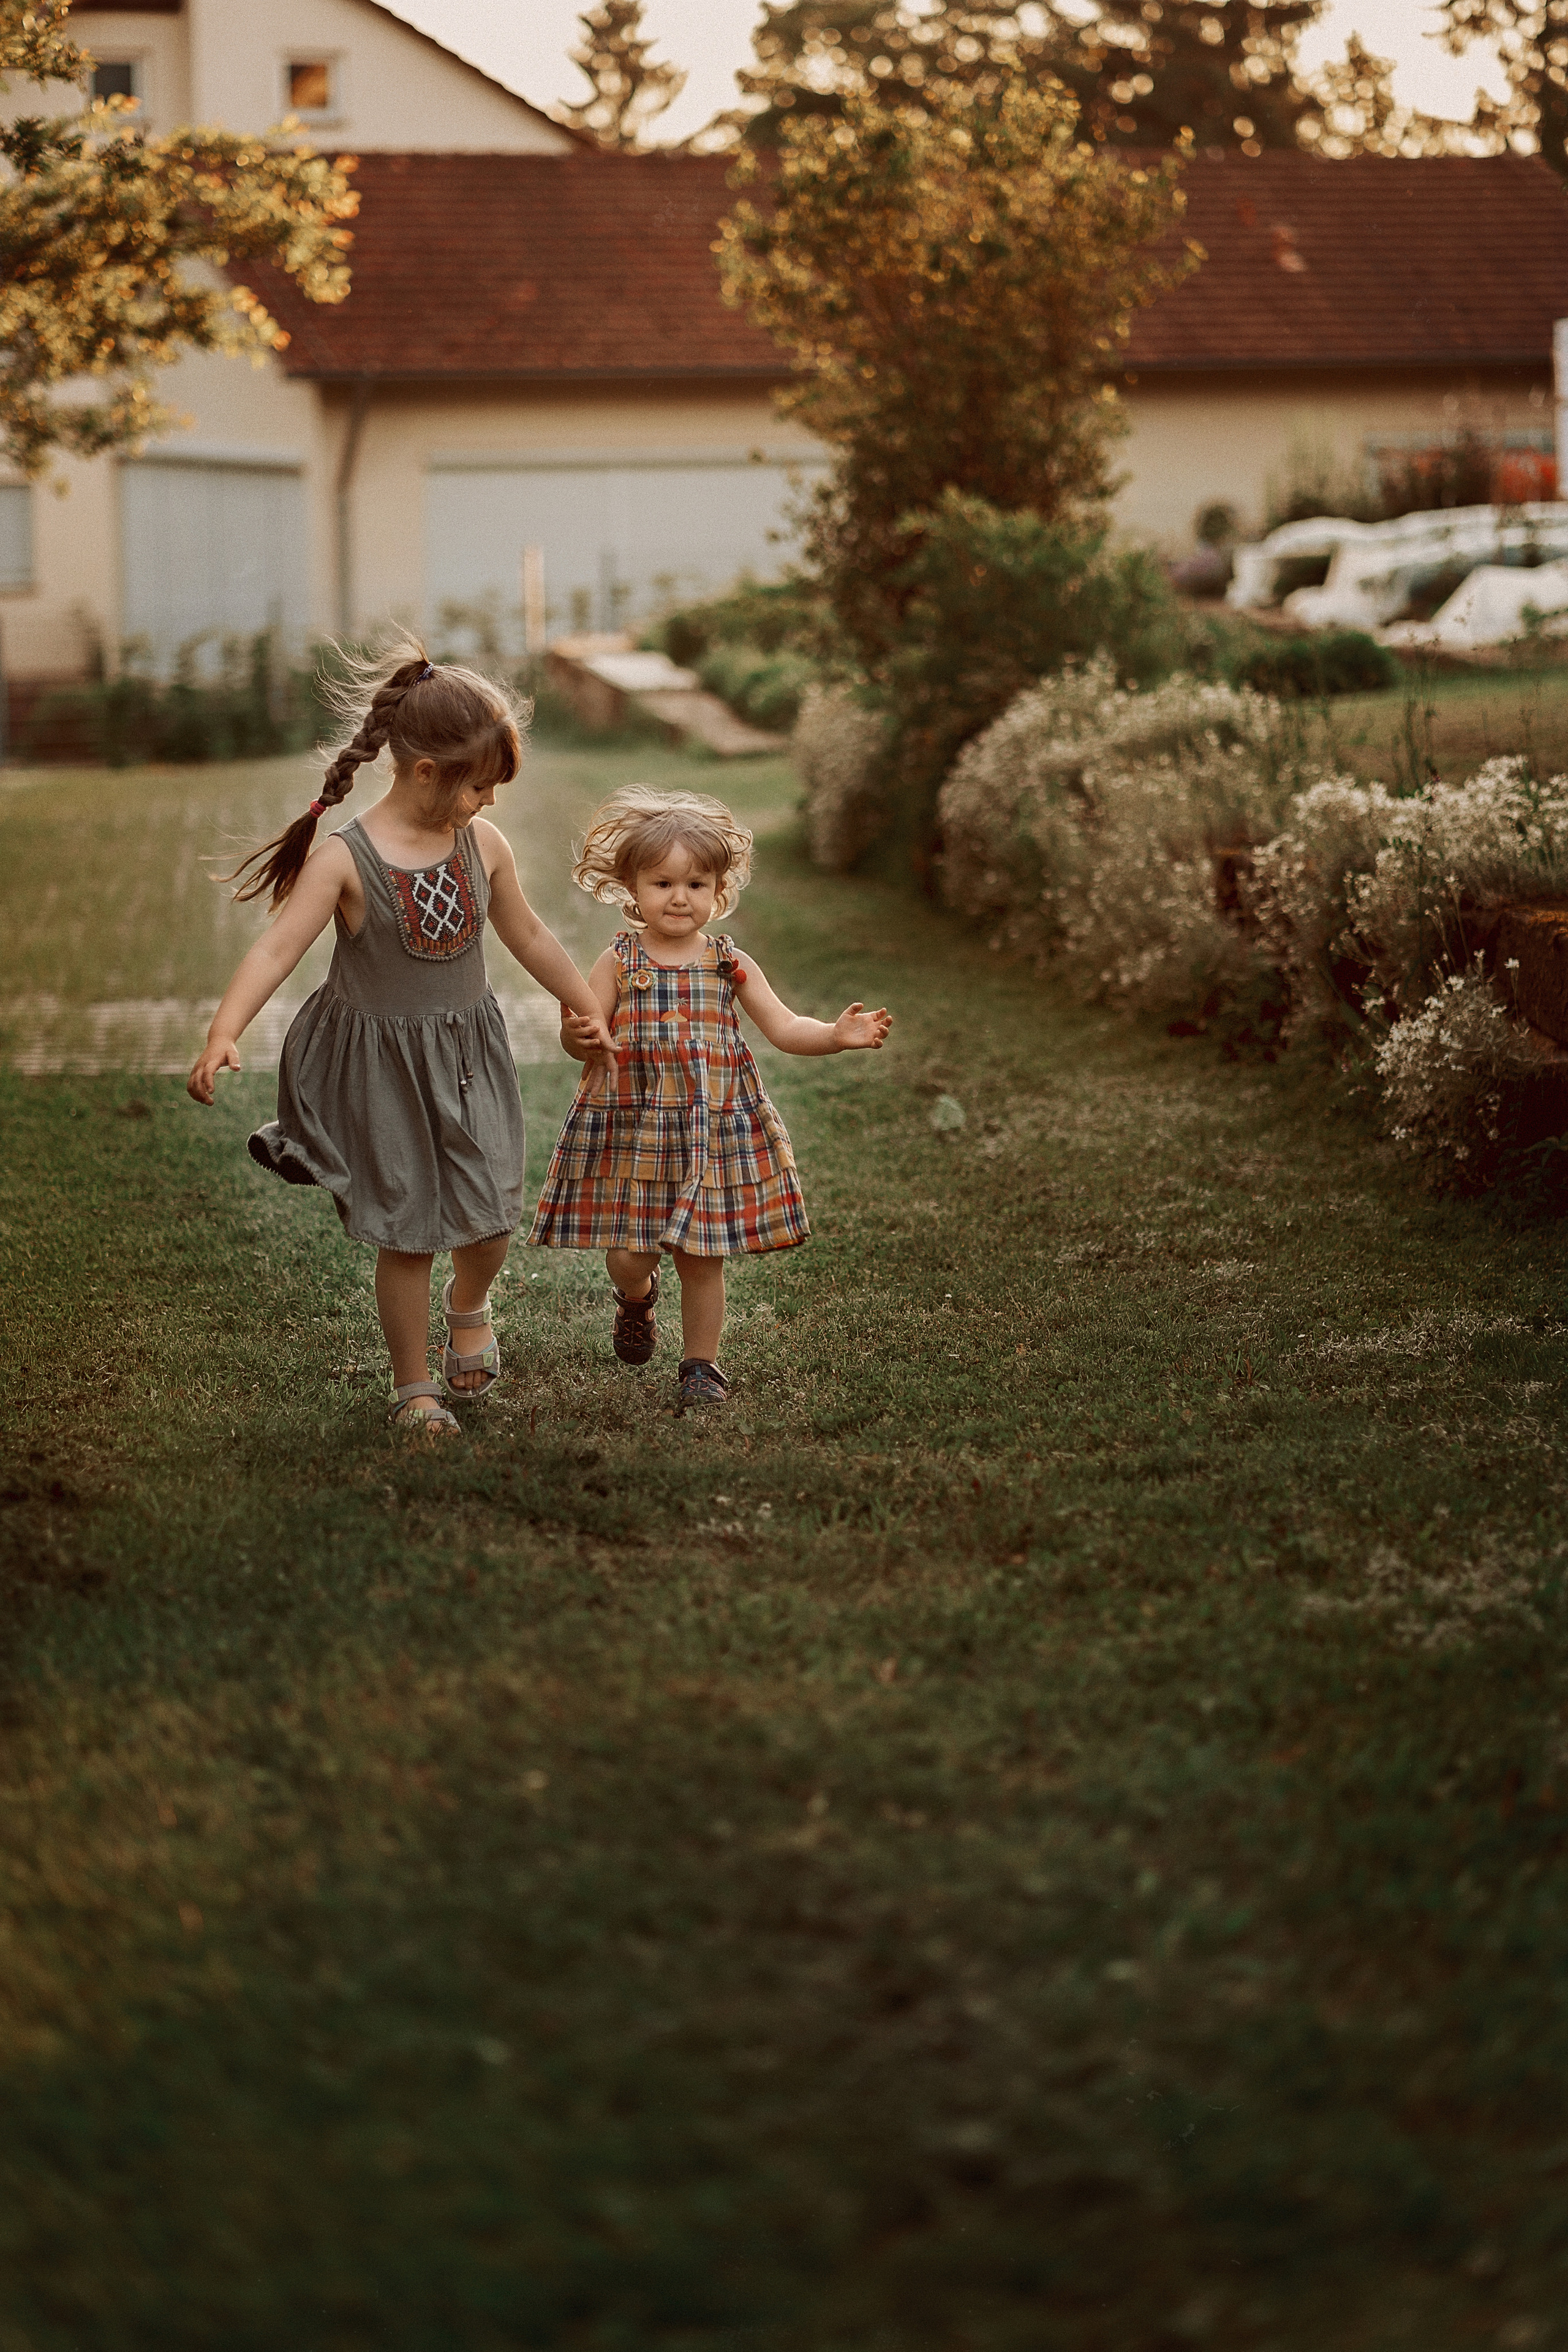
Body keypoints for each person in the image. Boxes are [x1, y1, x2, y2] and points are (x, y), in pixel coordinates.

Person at [186, 639, 618, 1434]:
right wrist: (224, 1030)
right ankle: (414, 1387)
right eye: (478, 786)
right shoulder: (344, 860)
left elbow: (527, 934)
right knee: (410, 1234)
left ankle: (469, 1303)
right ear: (427, 773)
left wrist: (581, 1002)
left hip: (470, 1058)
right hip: (383, 1071)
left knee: (490, 1216)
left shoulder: (484, 847)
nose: (488, 802)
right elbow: (277, 950)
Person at [527, 784, 892, 1409]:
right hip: (635, 1129)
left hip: (708, 1131)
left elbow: (783, 1026)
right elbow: (585, 1039)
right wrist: (575, 1035)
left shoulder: (729, 962)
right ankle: (636, 1297)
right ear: (632, 887)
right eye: (663, 883)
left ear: (718, 890)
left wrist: (833, 1036)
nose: (680, 897)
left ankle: (701, 1365)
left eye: (696, 884)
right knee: (630, 1255)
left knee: (702, 1256)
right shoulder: (618, 961)